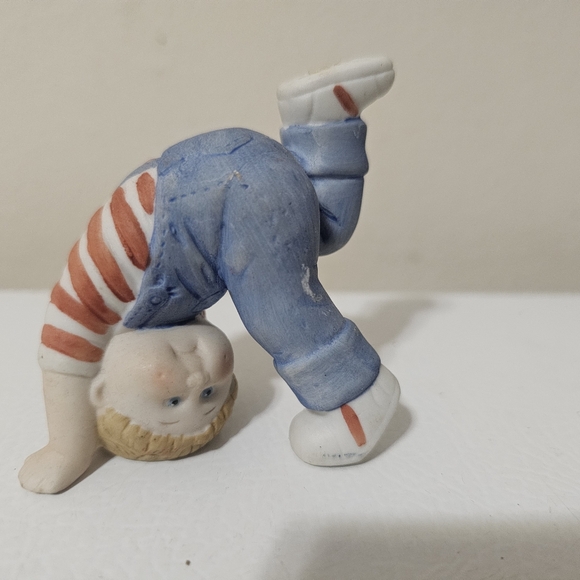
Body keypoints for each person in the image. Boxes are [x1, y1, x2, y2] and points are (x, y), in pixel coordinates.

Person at [19, 57, 400, 494]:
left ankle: (355, 399)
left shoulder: (96, 295)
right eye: (210, 396)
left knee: (278, 310)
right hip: (227, 181)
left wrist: (67, 448)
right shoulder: (169, 308)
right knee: (322, 230)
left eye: (171, 401)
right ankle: (321, 120)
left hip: (210, 191)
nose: (196, 381)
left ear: (102, 389)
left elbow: (61, 359)